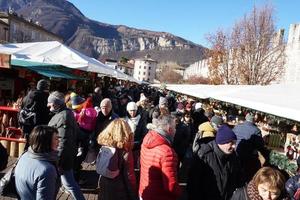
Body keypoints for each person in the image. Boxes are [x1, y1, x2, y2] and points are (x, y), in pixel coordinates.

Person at [187, 125, 243, 200]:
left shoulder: (233, 156)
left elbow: (238, 177)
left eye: (235, 143)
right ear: (222, 142)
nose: (234, 146)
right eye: (231, 143)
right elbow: (193, 185)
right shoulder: (204, 155)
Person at [47, 91, 85, 200]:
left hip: (62, 158)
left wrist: (58, 161)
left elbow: (63, 141)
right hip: (63, 156)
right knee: (62, 183)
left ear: (56, 104)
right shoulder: (65, 113)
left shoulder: (64, 117)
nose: (48, 106)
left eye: (50, 103)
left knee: (68, 184)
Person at [139, 115, 181, 200]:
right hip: (158, 195)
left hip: (144, 191)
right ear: (169, 129)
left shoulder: (146, 139)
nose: (176, 130)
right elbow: (171, 185)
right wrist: (179, 193)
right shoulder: (167, 152)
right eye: (175, 127)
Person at [15, 125, 59, 200]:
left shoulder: (24, 155)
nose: (59, 141)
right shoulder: (47, 170)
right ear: (46, 142)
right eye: (56, 139)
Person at [97, 119, 137, 200]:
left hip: (104, 183)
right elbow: (129, 176)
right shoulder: (125, 150)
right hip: (119, 189)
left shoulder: (105, 145)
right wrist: (134, 195)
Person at [233, 112, 269, 182]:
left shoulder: (237, 126)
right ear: (254, 120)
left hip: (235, 154)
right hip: (248, 158)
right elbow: (260, 145)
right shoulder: (256, 130)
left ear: (246, 118)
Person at [20, 79, 51, 149]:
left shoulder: (26, 97)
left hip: (26, 126)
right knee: (38, 147)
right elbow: (47, 114)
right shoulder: (45, 98)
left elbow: (21, 110)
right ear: (46, 88)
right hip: (39, 128)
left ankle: (24, 157)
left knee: (28, 145)